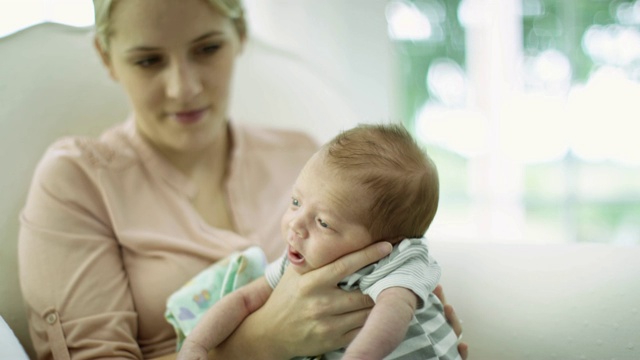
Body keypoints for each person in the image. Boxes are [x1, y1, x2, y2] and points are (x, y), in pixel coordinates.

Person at [17, 0, 468, 359]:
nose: (184, 87)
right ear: (106, 56)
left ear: (240, 34)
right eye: (149, 60)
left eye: (207, 48)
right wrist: (260, 343)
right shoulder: (77, 179)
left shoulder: (305, 156)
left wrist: (415, 330)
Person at [178, 123, 461, 360]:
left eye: (323, 223)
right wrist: (197, 345)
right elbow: (242, 300)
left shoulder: (398, 259)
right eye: (296, 202)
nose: (296, 224)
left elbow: (393, 312)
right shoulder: (297, 263)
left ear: (388, 241)